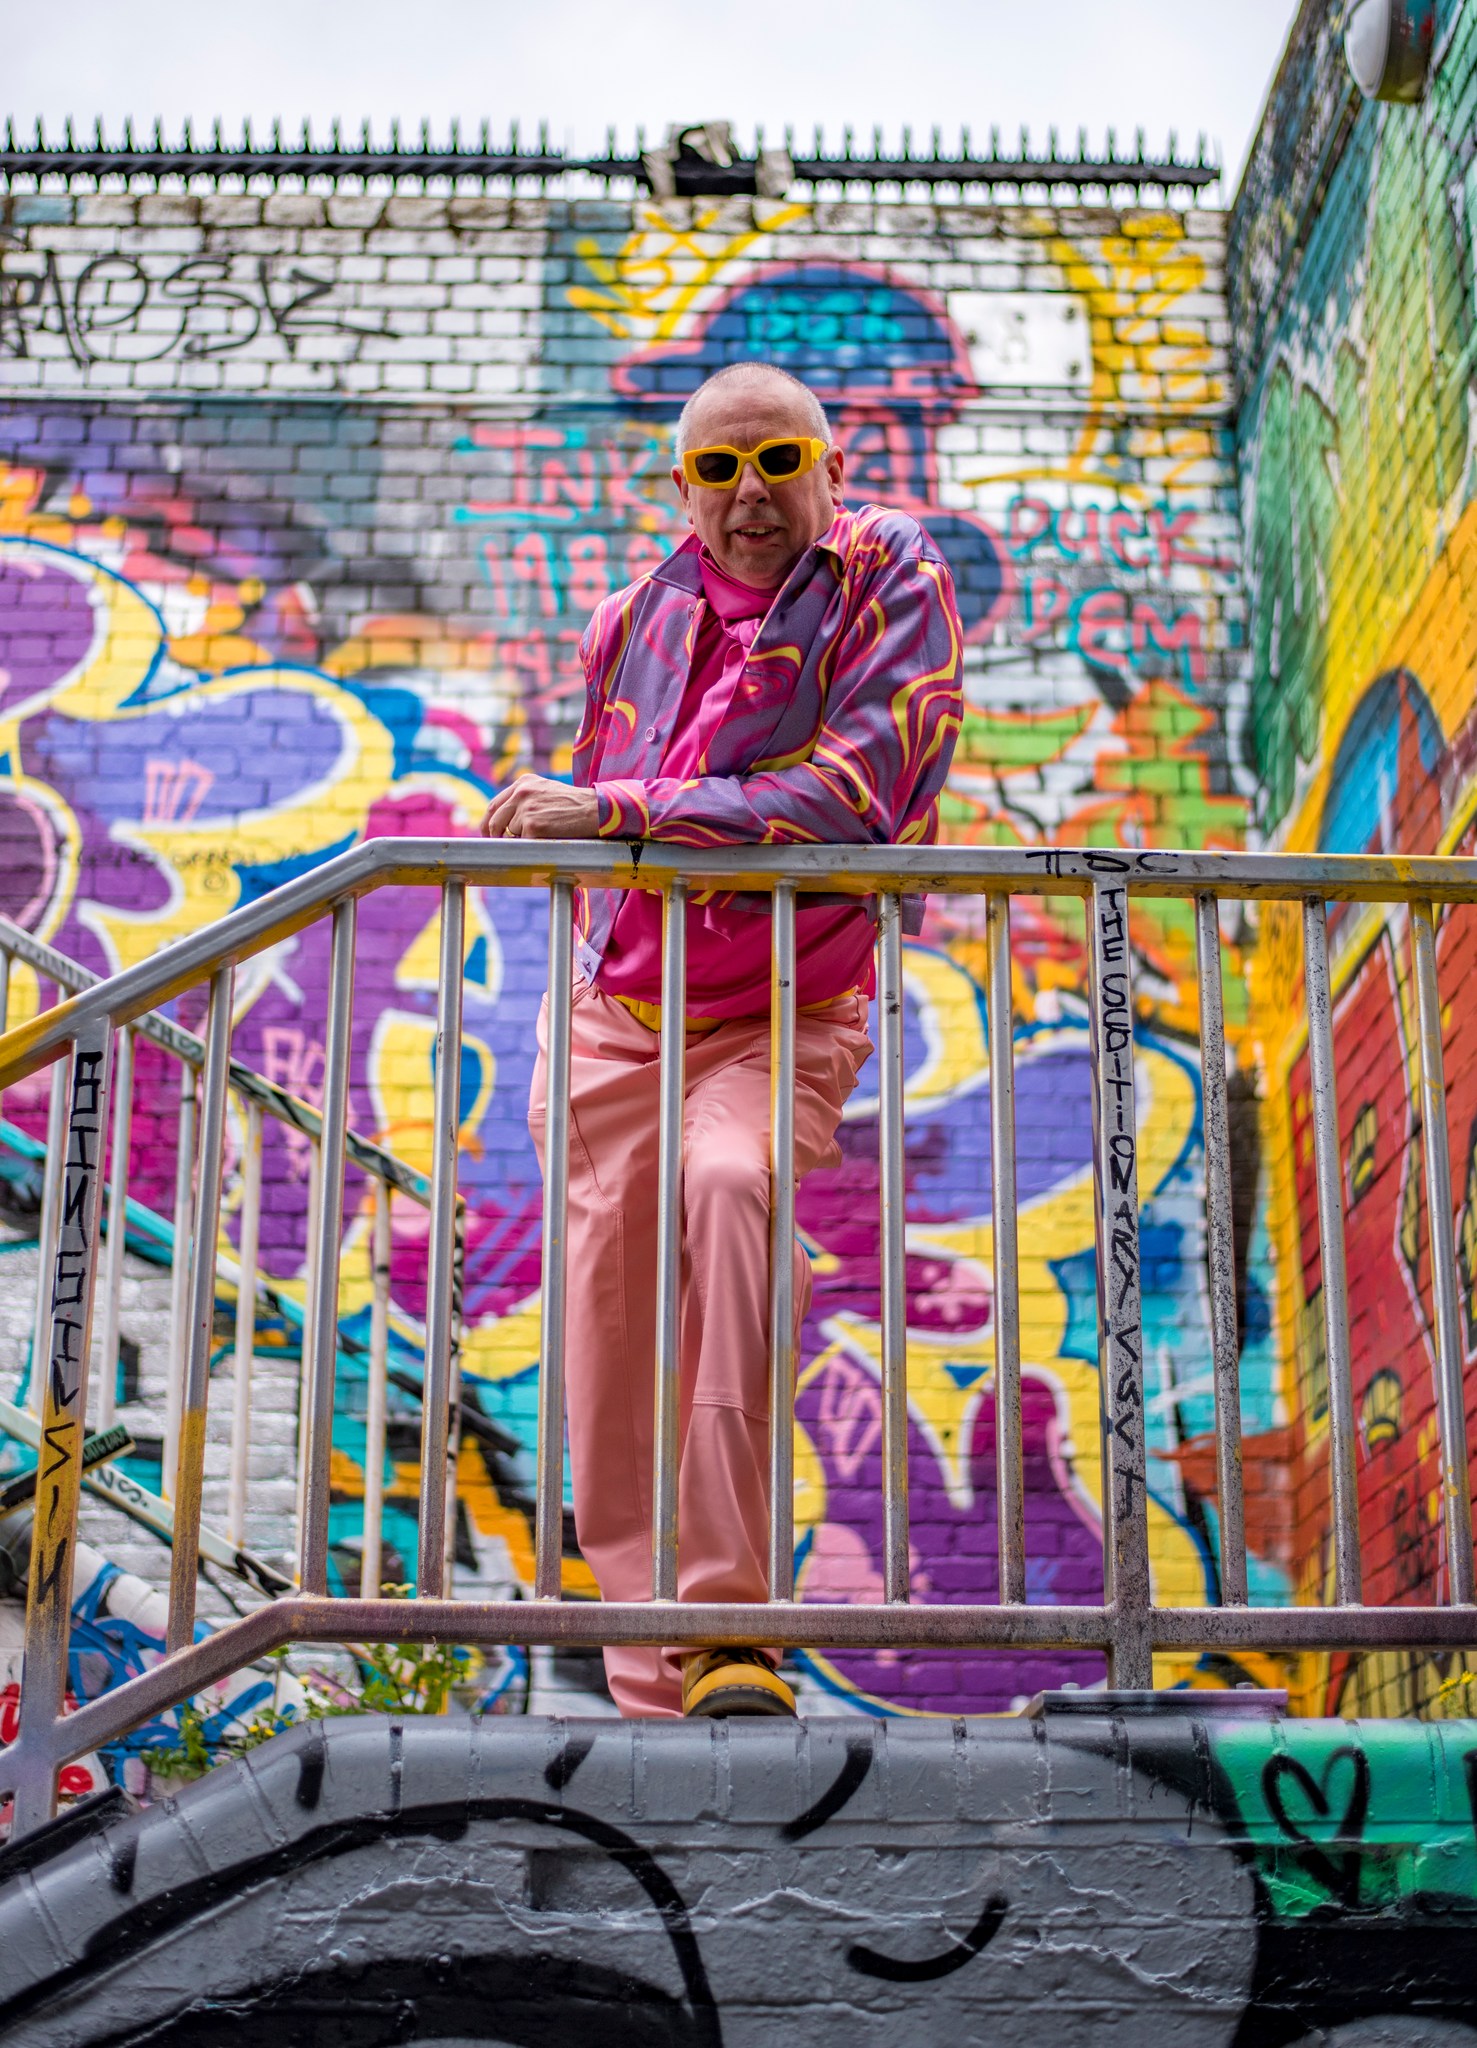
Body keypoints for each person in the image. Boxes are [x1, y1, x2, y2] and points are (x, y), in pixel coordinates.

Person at [481, 361, 963, 1717]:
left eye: (775, 461)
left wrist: (616, 808)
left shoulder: (888, 572)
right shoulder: (630, 616)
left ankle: (731, 1625)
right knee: (606, 1331)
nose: (748, 496)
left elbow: (853, 794)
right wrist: (603, 824)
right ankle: (654, 1684)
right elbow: (612, 830)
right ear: (681, 488)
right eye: (716, 470)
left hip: (784, 1009)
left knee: (730, 1187)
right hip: (612, 1017)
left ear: (829, 461)